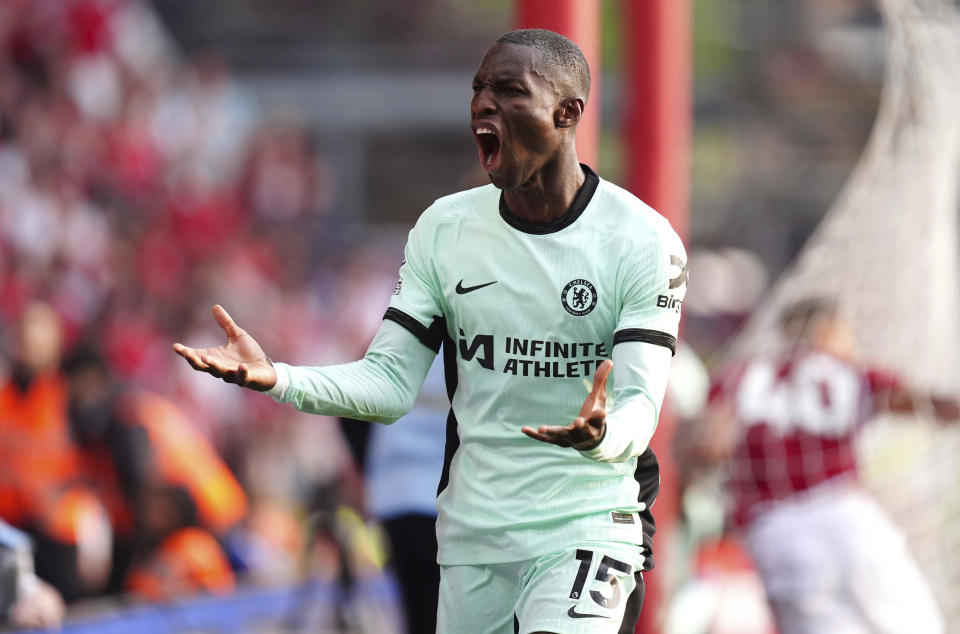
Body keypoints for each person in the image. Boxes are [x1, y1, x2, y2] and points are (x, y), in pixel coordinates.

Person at [175, 28, 687, 633]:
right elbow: (389, 384)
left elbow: (638, 401)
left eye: (509, 90)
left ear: (567, 112)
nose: (483, 104)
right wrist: (278, 377)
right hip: (474, 534)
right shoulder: (444, 230)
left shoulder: (641, 239)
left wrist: (603, 435)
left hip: (587, 521)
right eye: (478, 89)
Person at [694, 297, 954, 634]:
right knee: (912, 623)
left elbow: (709, 445)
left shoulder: (736, 376)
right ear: (826, 330)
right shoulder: (850, 372)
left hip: (774, 529)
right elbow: (922, 403)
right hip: (845, 516)